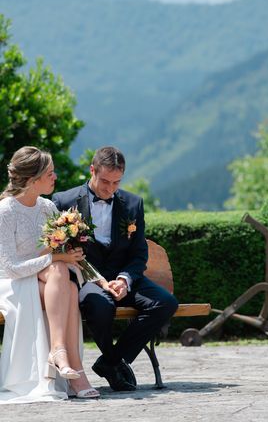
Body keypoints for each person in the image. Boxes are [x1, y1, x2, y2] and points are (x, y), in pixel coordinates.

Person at [53, 146, 178, 392]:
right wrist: (99, 281)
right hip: (86, 280)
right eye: (105, 182)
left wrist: (125, 279)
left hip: (124, 279)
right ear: (92, 171)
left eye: (116, 182)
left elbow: (139, 253)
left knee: (165, 302)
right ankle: (114, 362)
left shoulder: (133, 204)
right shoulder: (63, 202)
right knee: (101, 305)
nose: (110, 189)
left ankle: (111, 362)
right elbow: (61, 251)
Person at [0, 146, 99, 403]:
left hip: (44, 278)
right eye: (50, 173)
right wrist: (55, 257)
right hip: (11, 282)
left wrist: (78, 264)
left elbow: (62, 254)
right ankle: (75, 372)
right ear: (33, 180)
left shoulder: (46, 207)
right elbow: (10, 267)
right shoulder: (6, 211)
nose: (55, 177)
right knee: (61, 276)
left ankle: (59, 352)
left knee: (65, 279)